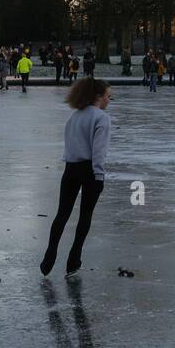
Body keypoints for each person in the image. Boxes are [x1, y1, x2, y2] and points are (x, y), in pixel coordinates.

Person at [41, 76, 113, 276]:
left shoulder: (75, 116)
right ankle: (74, 259)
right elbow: (99, 151)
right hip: (90, 171)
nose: (109, 100)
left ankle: (50, 254)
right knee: (85, 216)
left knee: (62, 214)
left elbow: (69, 145)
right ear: (98, 97)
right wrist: (99, 176)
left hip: (70, 168)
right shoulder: (101, 118)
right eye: (108, 96)